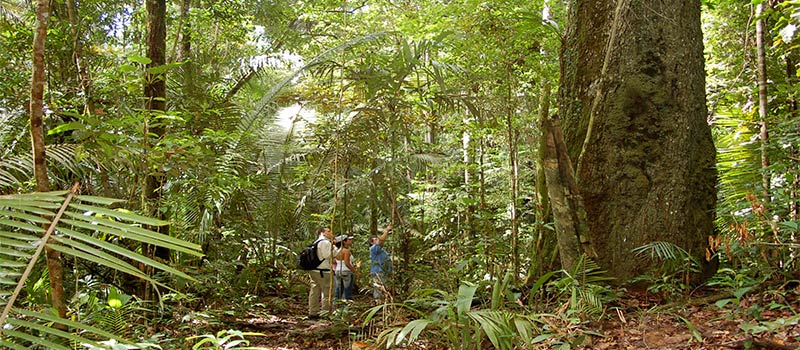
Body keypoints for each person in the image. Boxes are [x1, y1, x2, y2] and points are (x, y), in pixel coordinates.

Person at [307, 227, 337, 320]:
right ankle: (325, 313)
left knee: (314, 291)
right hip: (323, 271)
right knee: (327, 292)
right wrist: (335, 247)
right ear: (323, 233)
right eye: (328, 231)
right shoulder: (325, 242)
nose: (331, 232)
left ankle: (313, 312)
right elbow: (328, 255)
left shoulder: (316, 242)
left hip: (314, 270)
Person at [369, 224, 393, 304]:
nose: (378, 240)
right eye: (375, 239)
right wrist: (386, 230)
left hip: (383, 272)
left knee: (383, 288)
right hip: (378, 272)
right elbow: (381, 241)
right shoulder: (373, 249)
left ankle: (383, 304)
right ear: (372, 242)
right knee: (378, 288)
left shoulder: (381, 250)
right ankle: (378, 304)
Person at [332, 235, 358, 302]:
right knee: (347, 289)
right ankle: (346, 304)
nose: (351, 241)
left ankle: (336, 305)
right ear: (344, 242)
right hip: (346, 271)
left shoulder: (337, 250)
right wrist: (355, 271)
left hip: (338, 271)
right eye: (349, 240)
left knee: (338, 289)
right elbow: (347, 263)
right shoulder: (346, 251)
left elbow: (334, 261)